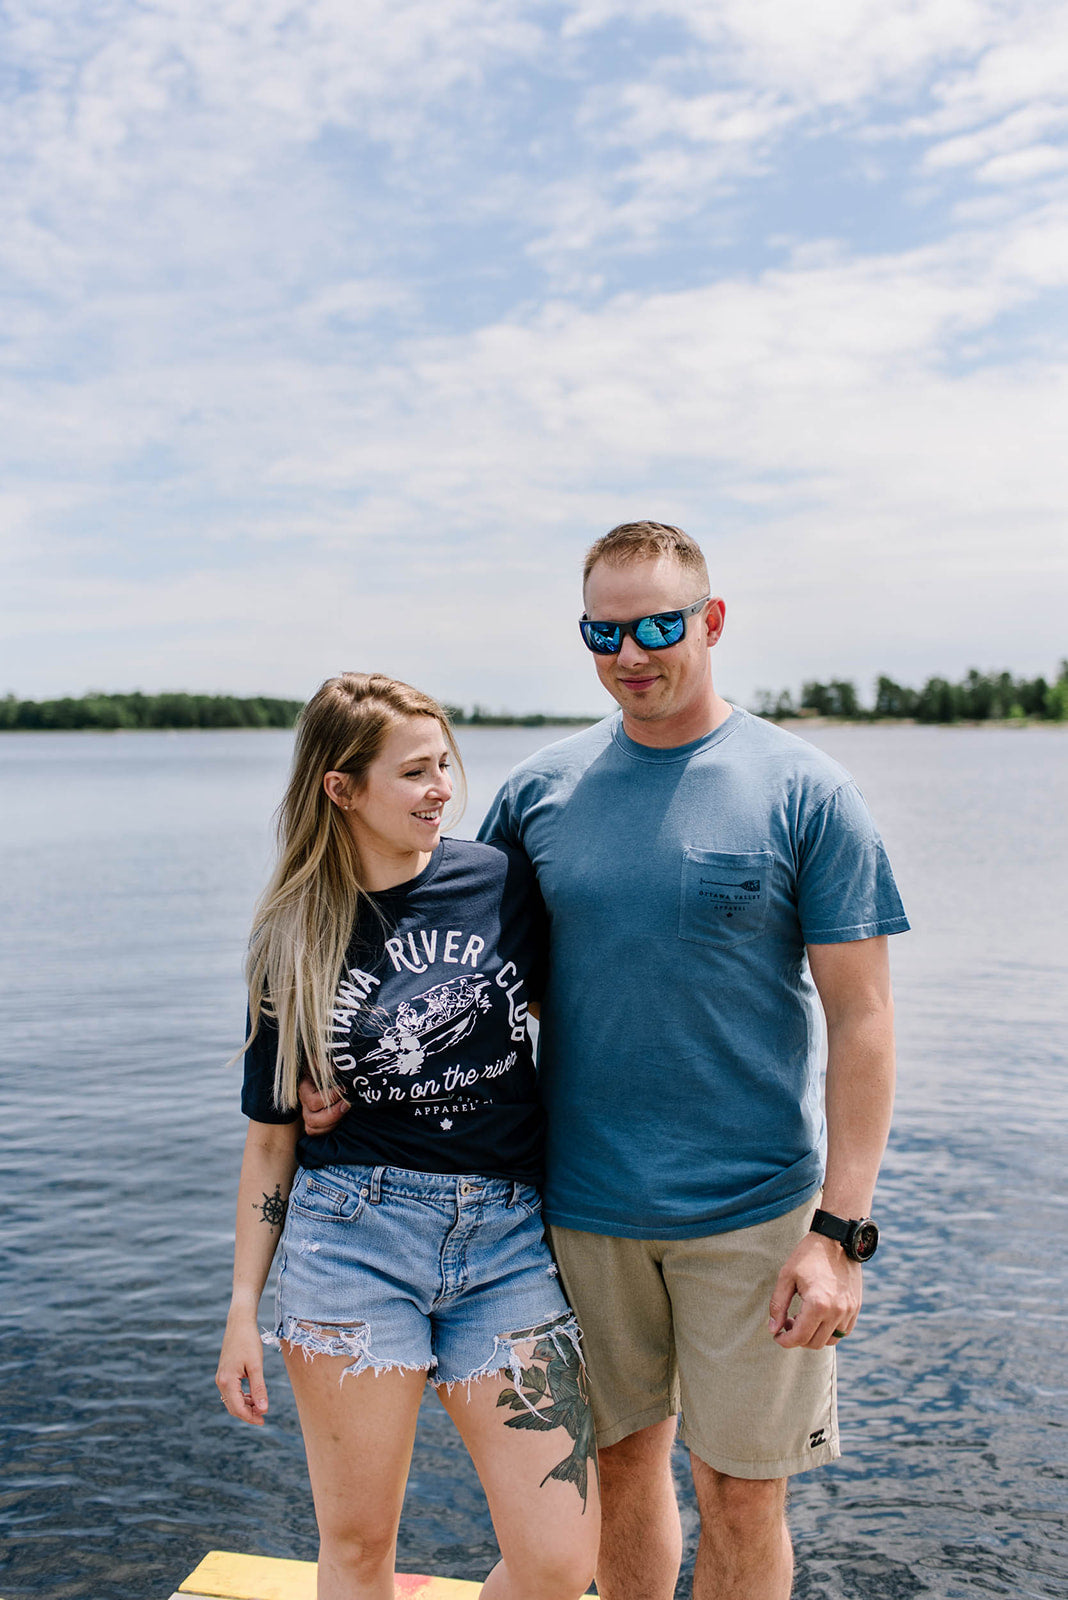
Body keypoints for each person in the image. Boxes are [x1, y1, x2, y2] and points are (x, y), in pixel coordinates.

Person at [303, 524, 909, 1600]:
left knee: (740, 1494)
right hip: (579, 1211)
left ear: (711, 622)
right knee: (620, 1475)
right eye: (605, 631)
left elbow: (860, 1017)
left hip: (753, 1215)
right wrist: (342, 1067)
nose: (632, 654)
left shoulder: (805, 790)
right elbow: (449, 960)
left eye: (659, 626)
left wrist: (840, 1233)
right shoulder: (541, 792)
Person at [216, 672, 599, 1600]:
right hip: (350, 1239)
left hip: (506, 1241)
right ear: (340, 789)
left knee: (559, 1561)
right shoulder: (295, 935)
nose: (441, 791)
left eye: (444, 767)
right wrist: (240, 1307)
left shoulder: (500, 883)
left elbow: (580, 1026)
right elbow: (272, 1139)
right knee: (356, 1551)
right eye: (414, 773)